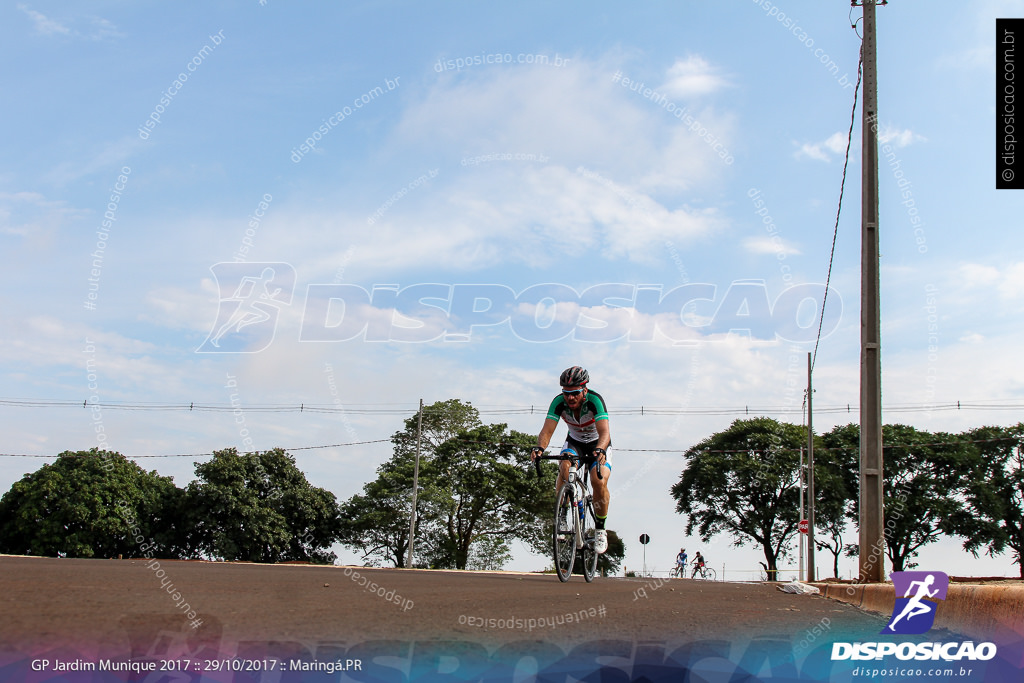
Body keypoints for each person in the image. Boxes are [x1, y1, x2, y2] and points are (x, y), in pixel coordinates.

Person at [531, 366, 612, 554]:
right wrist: (540, 448)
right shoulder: (559, 403)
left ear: (584, 390)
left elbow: (605, 432)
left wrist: (600, 449)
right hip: (574, 442)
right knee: (565, 466)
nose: (570, 398)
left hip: (597, 444)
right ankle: (563, 512)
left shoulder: (595, 401)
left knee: (598, 480)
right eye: (566, 394)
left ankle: (600, 529)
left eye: (575, 393)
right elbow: (547, 430)